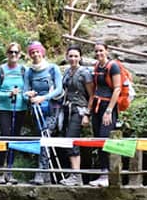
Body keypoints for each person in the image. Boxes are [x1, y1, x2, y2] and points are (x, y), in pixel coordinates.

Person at [23, 41, 63, 185]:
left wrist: (43, 97)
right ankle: (45, 176)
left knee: (45, 138)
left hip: (52, 109)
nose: (35, 54)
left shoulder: (53, 68)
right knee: (40, 139)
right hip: (36, 111)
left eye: (37, 51)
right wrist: (28, 94)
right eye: (32, 52)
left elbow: (59, 89)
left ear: (42, 52)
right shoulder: (29, 72)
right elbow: (24, 92)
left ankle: (40, 173)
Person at [0, 42, 27, 184]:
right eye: (11, 52)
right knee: (4, 138)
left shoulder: (24, 70)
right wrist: (8, 94)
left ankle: (10, 172)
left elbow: (26, 88)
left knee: (15, 140)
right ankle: (0, 172)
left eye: (16, 52)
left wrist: (28, 95)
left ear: (19, 55)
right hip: (4, 109)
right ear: (7, 54)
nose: (13, 55)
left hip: (20, 108)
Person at [88, 42, 121, 187]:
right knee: (98, 140)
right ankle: (102, 174)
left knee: (105, 138)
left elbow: (117, 89)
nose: (98, 53)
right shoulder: (96, 67)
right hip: (97, 105)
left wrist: (109, 110)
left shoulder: (113, 66)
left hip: (108, 106)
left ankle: (109, 174)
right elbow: (95, 89)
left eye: (101, 50)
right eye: (96, 51)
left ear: (107, 51)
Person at [59, 45, 93, 186]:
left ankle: (76, 175)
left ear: (80, 57)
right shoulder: (67, 72)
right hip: (67, 109)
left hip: (79, 109)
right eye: (70, 56)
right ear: (67, 57)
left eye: (76, 56)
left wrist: (87, 114)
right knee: (65, 139)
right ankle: (73, 172)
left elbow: (92, 95)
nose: (73, 59)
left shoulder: (84, 73)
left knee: (71, 139)